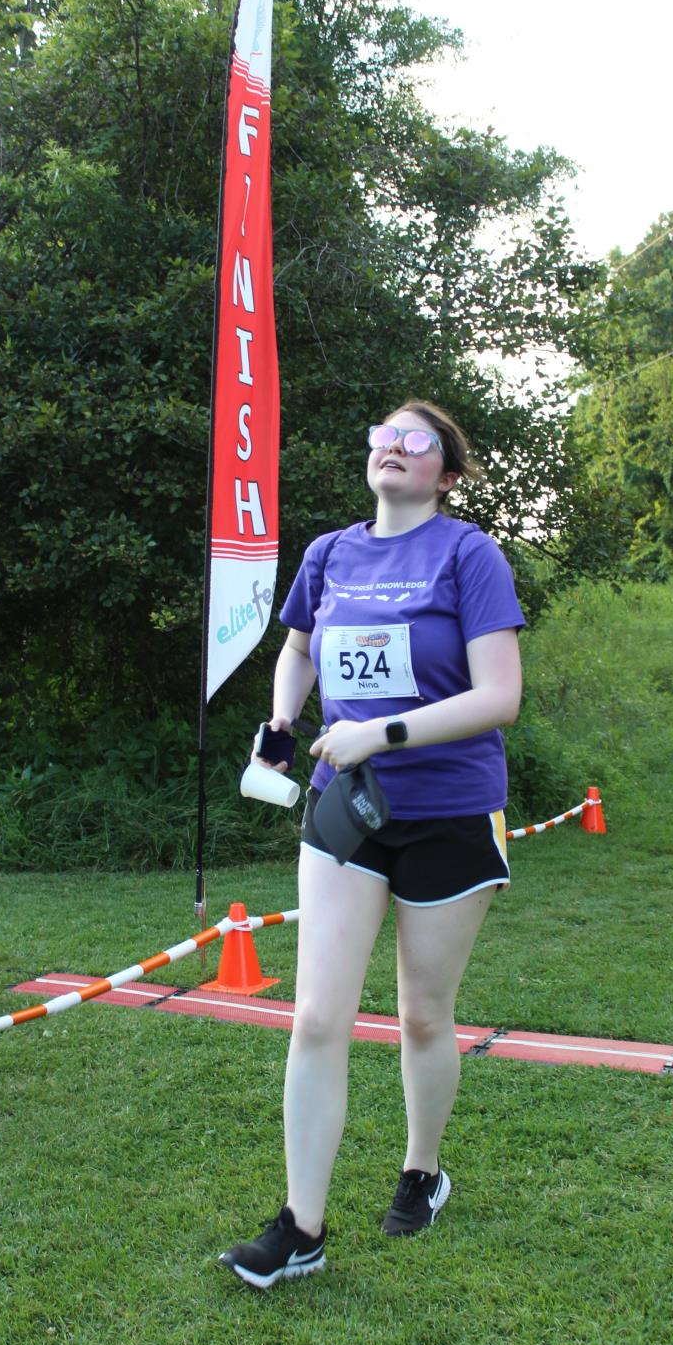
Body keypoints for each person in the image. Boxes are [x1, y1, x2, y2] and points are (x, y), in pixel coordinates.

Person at [219, 401, 525, 1289]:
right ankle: (301, 1226)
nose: (393, 448)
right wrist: (283, 719)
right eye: (382, 437)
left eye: (416, 441)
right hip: (346, 808)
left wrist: (379, 734)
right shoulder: (329, 554)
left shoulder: (469, 555)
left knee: (423, 1014)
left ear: (447, 473)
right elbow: (299, 650)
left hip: (450, 811)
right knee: (318, 1016)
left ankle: (422, 1170)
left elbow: (499, 696)